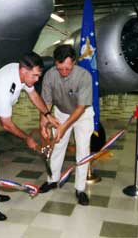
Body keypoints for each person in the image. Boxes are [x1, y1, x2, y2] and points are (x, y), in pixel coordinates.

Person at [0, 52, 59, 221]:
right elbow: (6, 124)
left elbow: (34, 95)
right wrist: (27, 138)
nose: (37, 79)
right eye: (34, 75)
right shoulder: (4, 84)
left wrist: (48, 114)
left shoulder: (21, 74)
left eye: (39, 75)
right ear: (23, 70)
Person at [38, 44, 94, 206]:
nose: (63, 72)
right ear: (55, 63)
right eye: (60, 68)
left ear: (74, 62)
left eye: (67, 69)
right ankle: (52, 180)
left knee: (83, 150)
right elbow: (46, 102)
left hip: (82, 114)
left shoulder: (84, 76)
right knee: (58, 145)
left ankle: (80, 189)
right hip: (61, 112)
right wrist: (43, 122)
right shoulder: (50, 75)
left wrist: (64, 127)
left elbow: (81, 107)